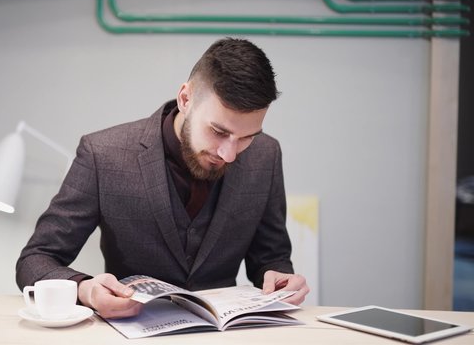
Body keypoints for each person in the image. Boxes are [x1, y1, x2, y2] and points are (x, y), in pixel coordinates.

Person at [16, 37, 309, 319]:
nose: (230, 154)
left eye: (247, 137)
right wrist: (86, 290)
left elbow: (271, 258)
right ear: (185, 98)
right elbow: (35, 260)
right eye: (219, 132)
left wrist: (278, 277)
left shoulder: (266, 155)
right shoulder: (102, 155)